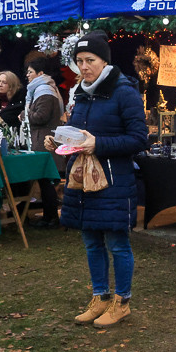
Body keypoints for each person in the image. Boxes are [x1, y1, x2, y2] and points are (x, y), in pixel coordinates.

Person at [44, 30, 148, 328]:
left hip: (113, 182)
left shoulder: (124, 92)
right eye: (79, 61)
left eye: (90, 60)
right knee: (91, 242)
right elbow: (79, 135)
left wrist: (98, 145)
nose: (84, 66)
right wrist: (60, 142)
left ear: (105, 61)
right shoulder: (80, 92)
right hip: (82, 182)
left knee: (117, 243)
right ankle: (100, 297)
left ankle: (122, 301)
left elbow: (139, 139)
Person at [24, 57, 65, 228]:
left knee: (47, 180)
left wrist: (27, 113)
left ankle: (51, 217)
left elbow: (41, 116)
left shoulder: (44, 91)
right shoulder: (41, 90)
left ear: (40, 73)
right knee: (45, 180)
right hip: (42, 139)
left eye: (30, 72)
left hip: (45, 141)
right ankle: (49, 216)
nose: (27, 75)